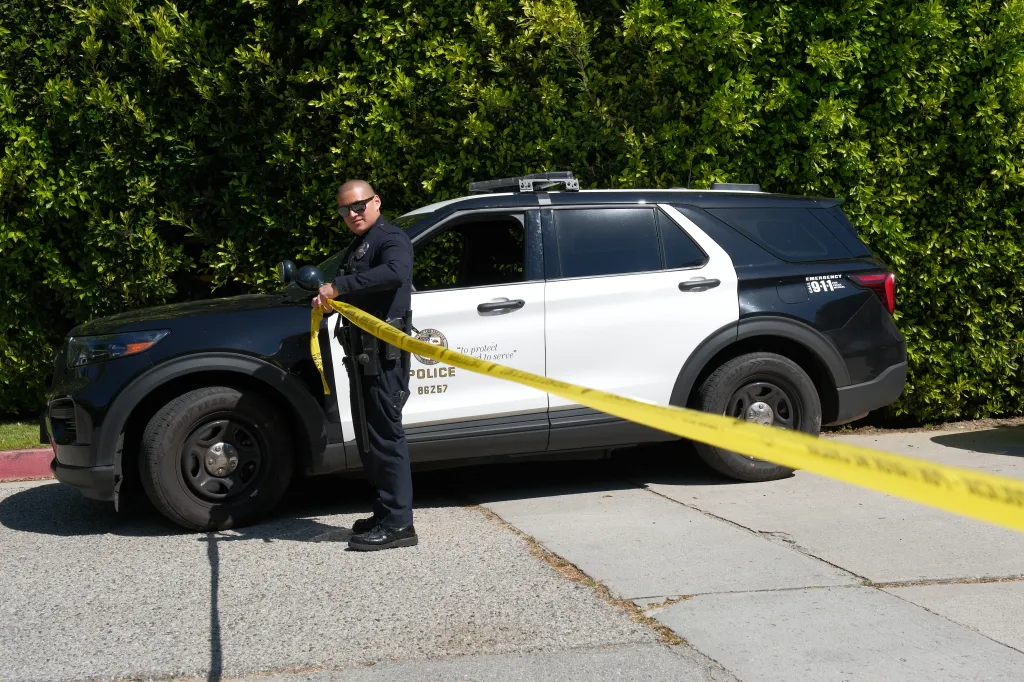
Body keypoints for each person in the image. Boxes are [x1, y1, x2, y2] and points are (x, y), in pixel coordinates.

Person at [311, 179, 417, 551]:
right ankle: (385, 512)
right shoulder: (360, 245)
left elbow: (394, 273)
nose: (353, 214)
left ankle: (400, 525)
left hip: (384, 358)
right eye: (345, 209)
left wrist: (340, 286)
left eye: (358, 206)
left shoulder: (391, 238)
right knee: (370, 439)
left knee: (387, 438)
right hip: (364, 356)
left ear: (376, 202)